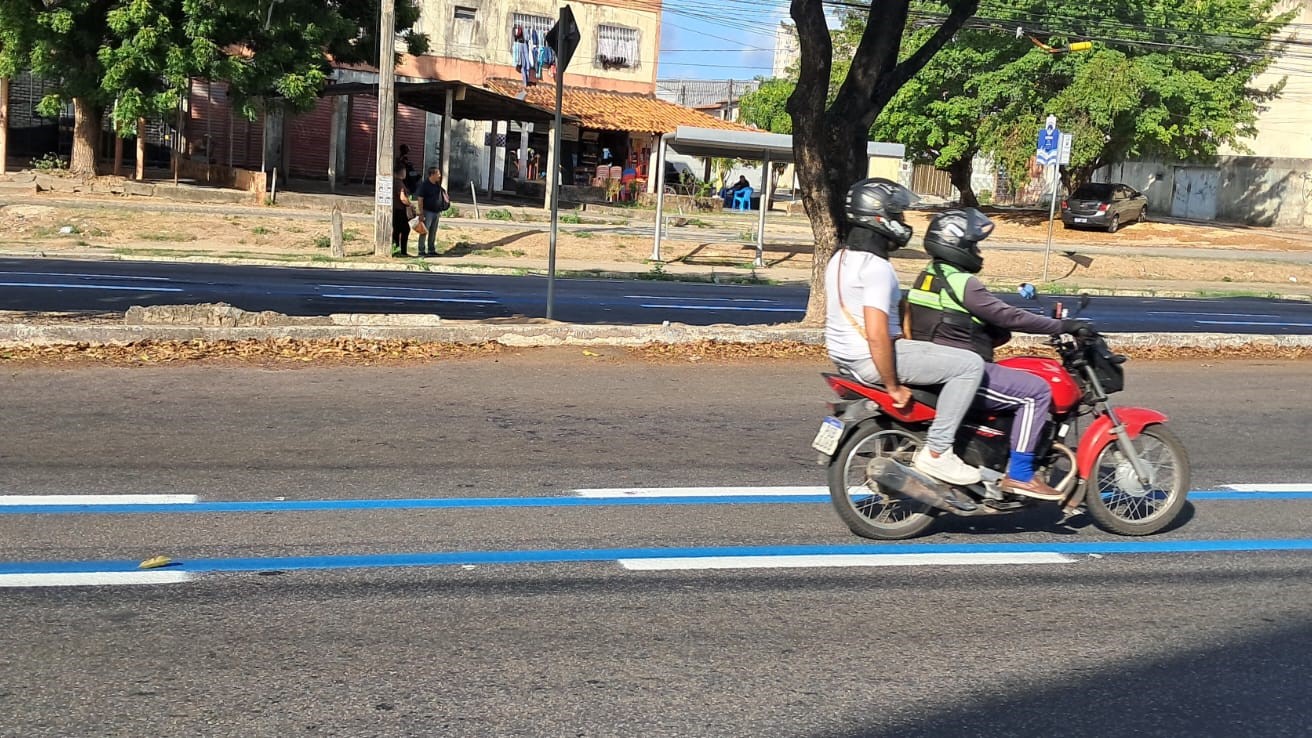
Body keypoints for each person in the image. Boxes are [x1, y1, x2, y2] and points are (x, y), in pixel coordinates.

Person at [904, 207, 1090, 500]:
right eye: (973, 245)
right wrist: (1062, 325)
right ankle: (1021, 475)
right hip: (962, 370)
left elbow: (958, 320)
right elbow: (1008, 316)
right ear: (956, 244)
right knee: (1036, 391)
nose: (977, 251)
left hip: (934, 363)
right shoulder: (963, 282)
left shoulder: (928, 276)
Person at [825, 178, 986, 486]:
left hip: (845, 358)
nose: (902, 221)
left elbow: (896, 310)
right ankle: (938, 452)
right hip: (871, 359)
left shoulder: (840, 258)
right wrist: (893, 387)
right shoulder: (875, 267)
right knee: (969, 365)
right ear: (879, 217)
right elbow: (876, 334)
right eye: (897, 214)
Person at [412, 167, 450, 257]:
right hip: (427, 212)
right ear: (432, 174)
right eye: (438, 174)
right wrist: (421, 213)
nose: (439, 176)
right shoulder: (424, 185)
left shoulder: (437, 185)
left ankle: (431, 250)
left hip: (436, 212)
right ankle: (421, 250)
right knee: (424, 231)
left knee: (433, 232)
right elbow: (420, 199)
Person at [391, 162, 413, 257]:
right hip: (400, 210)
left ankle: (396, 249)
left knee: (397, 230)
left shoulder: (394, 182)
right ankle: (402, 251)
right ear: (402, 172)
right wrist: (410, 204)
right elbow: (403, 198)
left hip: (395, 209)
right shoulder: (399, 183)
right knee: (405, 230)